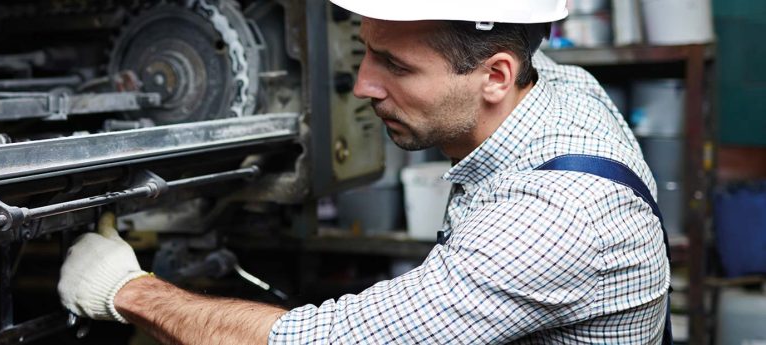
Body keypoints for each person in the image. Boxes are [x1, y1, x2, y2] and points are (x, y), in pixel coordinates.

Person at [57, 0, 671, 343]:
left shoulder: (552, 219)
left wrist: (126, 289)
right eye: (365, 49)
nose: (362, 86)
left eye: (394, 66)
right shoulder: (561, 86)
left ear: (496, 76)